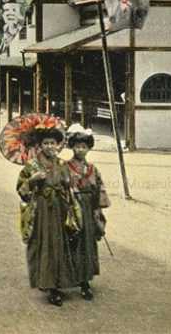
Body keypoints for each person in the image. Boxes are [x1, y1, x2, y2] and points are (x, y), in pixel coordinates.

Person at [16, 124, 76, 306]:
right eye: (46, 143)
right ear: (40, 146)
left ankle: (59, 282)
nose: (50, 147)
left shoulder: (62, 164)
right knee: (44, 245)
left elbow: (69, 187)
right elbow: (21, 189)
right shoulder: (32, 165)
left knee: (59, 244)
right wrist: (32, 181)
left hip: (59, 208)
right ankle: (49, 286)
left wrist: (67, 183)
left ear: (58, 145)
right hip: (41, 209)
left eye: (53, 143)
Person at [66, 124, 110, 301]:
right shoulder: (66, 166)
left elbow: (99, 188)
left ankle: (85, 281)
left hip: (89, 208)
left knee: (87, 244)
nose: (80, 150)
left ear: (88, 148)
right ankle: (69, 277)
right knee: (73, 242)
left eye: (84, 147)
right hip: (72, 208)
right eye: (77, 146)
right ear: (72, 147)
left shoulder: (93, 169)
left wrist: (97, 208)